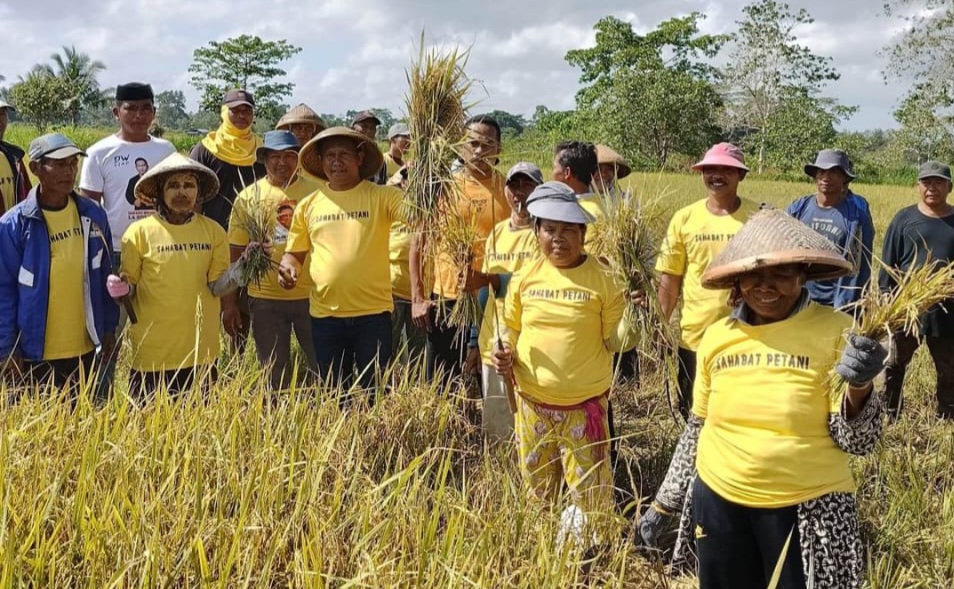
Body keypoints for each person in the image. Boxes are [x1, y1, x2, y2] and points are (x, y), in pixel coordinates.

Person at [637, 208, 886, 589]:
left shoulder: (838, 332)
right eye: (754, 274)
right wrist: (663, 503)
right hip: (719, 501)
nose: (765, 285)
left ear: (802, 274)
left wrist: (860, 386)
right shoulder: (718, 336)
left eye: (781, 273)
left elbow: (860, 440)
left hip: (807, 508)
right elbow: (698, 428)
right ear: (738, 279)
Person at [493, 181, 640, 542]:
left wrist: (637, 315)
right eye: (550, 230)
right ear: (537, 232)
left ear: (583, 234)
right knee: (537, 494)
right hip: (532, 406)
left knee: (590, 499)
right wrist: (505, 352)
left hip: (583, 409)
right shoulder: (527, 275)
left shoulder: (604, 278)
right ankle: (540, 555)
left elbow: (618, 341)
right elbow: (510, 326)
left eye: (568, 230)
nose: (558, 238)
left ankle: (589, 563)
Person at [279, 127, 405, 399]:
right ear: (322, 162)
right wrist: (288, 268)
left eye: (344, 155)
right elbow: (294, 255)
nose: (336, 162)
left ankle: (377, 440)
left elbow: (420, 214)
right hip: (326, 316)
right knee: (334, 392)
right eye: (330, 156)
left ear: (359, 158)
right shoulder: (308, 205)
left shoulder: (383, 197)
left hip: (373, 314)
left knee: (377, 391)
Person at [108, 153, 247, 398]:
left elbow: (217, 287)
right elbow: (130, 287)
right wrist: (121, 289)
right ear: (160, 192)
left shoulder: (213, 231)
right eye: (173, 185)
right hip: (152, 352)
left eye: (188, 185)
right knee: (147, 427)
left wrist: (244, 266)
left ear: (198, 192)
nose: (181, 192)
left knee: (198, 426)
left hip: (200, 350)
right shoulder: (138, 233)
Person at [0, 133, 117, 392]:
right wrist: (6, 348)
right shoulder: (14, 225)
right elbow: (4, 291)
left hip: (84, 348)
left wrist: (109, 328)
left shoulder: (93, 215)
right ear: (35, 169)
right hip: (34, 354)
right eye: (60, 164)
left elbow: (105, 277)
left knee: (79, 426)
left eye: (73, 163)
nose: (69, 172)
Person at [655, 143, 759, 418]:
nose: (717, 175)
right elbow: (671, 278)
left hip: (748, 336)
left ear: (741, 176)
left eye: (727, 169)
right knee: (693, 413)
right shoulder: (685, 218)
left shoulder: (758, 217)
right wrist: (659, 324)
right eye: (710, 169)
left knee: (739, 413)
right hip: (696, 337)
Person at [410, 115, 509, 384]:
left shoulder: (509, 189)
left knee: (491, 378)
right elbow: (419, 242)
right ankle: (447, 426)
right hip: (448, 295)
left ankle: (487, 426)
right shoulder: (442, 189)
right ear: (460, 147)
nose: (478, 151)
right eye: (472, 143)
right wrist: (418, 296)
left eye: (487, 144)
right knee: (443, 380)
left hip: (494, 297)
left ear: (499, 149)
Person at [228, 130, 320, 390]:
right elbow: (235, 252)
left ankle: (326, 416)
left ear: (299, 159)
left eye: (290, 156)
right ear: (264, 159)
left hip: (313, 297)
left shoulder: (317, 193)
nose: (283, 162)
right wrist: (231, 302)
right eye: (275, 156)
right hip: (265, 298)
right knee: (273, 370)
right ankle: (275, 419)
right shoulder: (248, 198)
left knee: (323, 364)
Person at [466, 162, 543, 440]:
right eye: (514, 185)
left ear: (539, 190)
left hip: (531, 343)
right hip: (493, 341)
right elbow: (485, 294)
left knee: (531, 423)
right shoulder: (496, 234)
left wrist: (500, 280)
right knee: (498, 427)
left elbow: (540, 284)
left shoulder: (544, 234)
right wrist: (474, 341)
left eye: (527, 185)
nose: (520, 193)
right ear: (506, 190)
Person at [190, 88, 265, 353]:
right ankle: (206, 359)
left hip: (250, 244)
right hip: (212, 240)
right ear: (224, 112)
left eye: (247, 111)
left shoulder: (261, 151)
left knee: (243, 307)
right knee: (210, 302)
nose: (242, 115)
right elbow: (193, 198)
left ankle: (239, 364)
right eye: (235, 110)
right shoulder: (205, 150)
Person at [880, 160, 954, 420]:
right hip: (906, 307)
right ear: (917, 186)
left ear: (949, 187)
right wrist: (885, 299)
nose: (932, 187)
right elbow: (888, 263)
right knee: (894, 363)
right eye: (926, 182)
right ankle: (889, 410)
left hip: (947, 310)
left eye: (938, 182)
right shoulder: (904, 219)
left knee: (949, 367)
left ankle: (947, 414)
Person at [786, 149, 874, 311]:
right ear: (815, 175)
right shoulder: (798, 208)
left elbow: (859, 264)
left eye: (834, 172)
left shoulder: (856, 216)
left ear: (844, 178)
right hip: (800, 297)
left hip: (837, 302)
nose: (826, 177)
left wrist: (846, 307)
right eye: (822, 171)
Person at [0, 99, 32, 212]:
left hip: (13, 228)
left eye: (3, 114)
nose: (0, 120)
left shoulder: (15, 156)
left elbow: (28, 198)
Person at [351, 110, 387, 185]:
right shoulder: (345, 154)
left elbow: (381, 186)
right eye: (364, 126)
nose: (369, 130)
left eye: (372, 127)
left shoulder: (379, 160)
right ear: (352, 129)